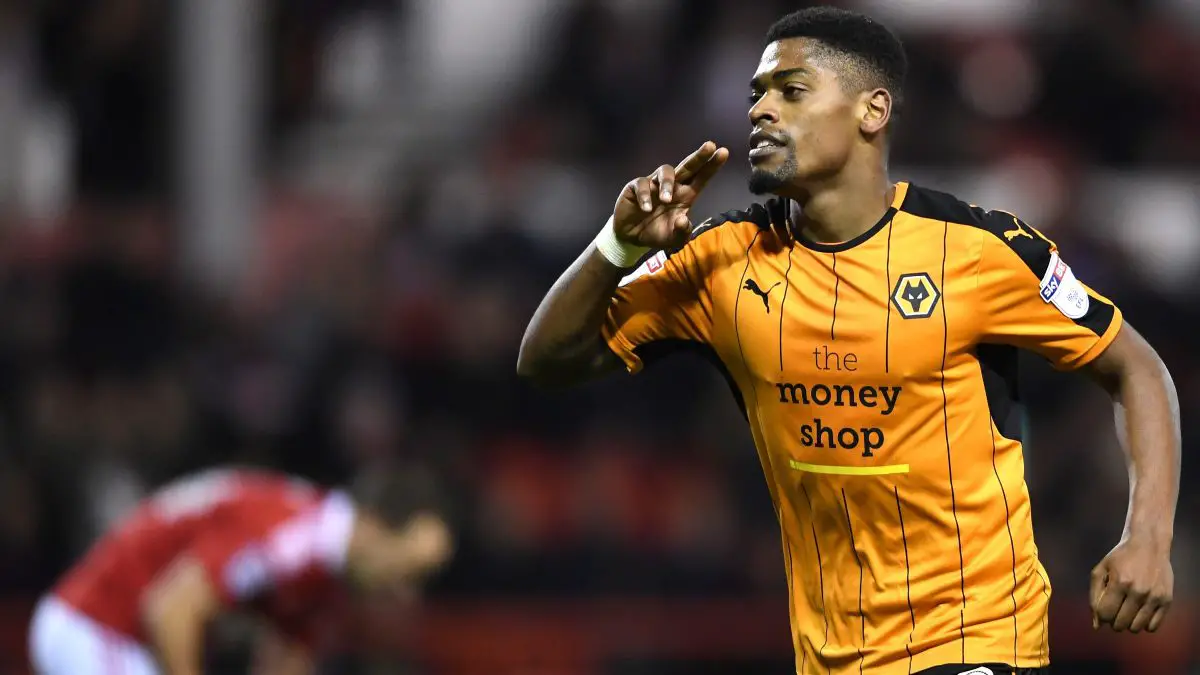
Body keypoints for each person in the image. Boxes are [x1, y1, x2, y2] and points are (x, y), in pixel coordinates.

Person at [517, 6, 1180, 675]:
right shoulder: (720, 261)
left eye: (791, 91)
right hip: (830, 656)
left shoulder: (976, 250)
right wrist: (619, 245)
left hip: (974, 639)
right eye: (756, 95)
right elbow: (546, 360)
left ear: (872, 110)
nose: (761, 111)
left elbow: (1138, 369)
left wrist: (1148, 537)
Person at [28, 466, 453, 675]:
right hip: (95, 625)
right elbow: (171, 612)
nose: (405, 593)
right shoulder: (296, 538)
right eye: (409, 570)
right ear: (374, 526)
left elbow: (286, 662)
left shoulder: (324, 566)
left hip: (127, 641)